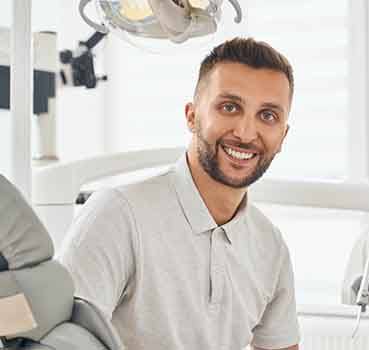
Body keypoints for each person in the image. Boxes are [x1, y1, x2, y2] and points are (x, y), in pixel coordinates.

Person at [59, 37, 300, 350]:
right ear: (192, 116)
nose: (244, 132)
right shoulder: (118, 216)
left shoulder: (271, 247)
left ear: (282, 136)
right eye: (229, 107)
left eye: (267, 116)